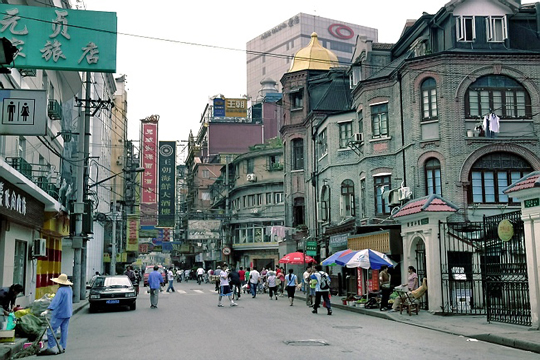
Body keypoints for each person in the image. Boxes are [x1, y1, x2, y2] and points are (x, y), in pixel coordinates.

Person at [40, 274, 73, 355]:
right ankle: (62, 346)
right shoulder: (69, 289)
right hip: (68, 313)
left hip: (59, 313)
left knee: (51, 330)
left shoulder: (61, 290)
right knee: (64, 331)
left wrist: (47, 310)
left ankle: (52, 347)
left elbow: (55, 301)